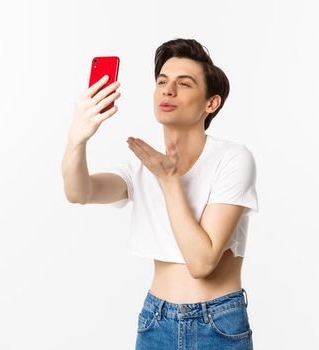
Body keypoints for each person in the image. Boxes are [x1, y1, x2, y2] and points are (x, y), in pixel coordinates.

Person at [61, 38, 258, 349]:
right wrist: (76, 140)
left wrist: (169, 181)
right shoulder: (142, 164)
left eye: (185, 83)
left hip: (217, 325)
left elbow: (202, 262)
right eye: (162, 82)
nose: (168, 90)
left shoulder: (233, 159)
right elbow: (79, 192)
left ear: (211, 103)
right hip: (157, 321)